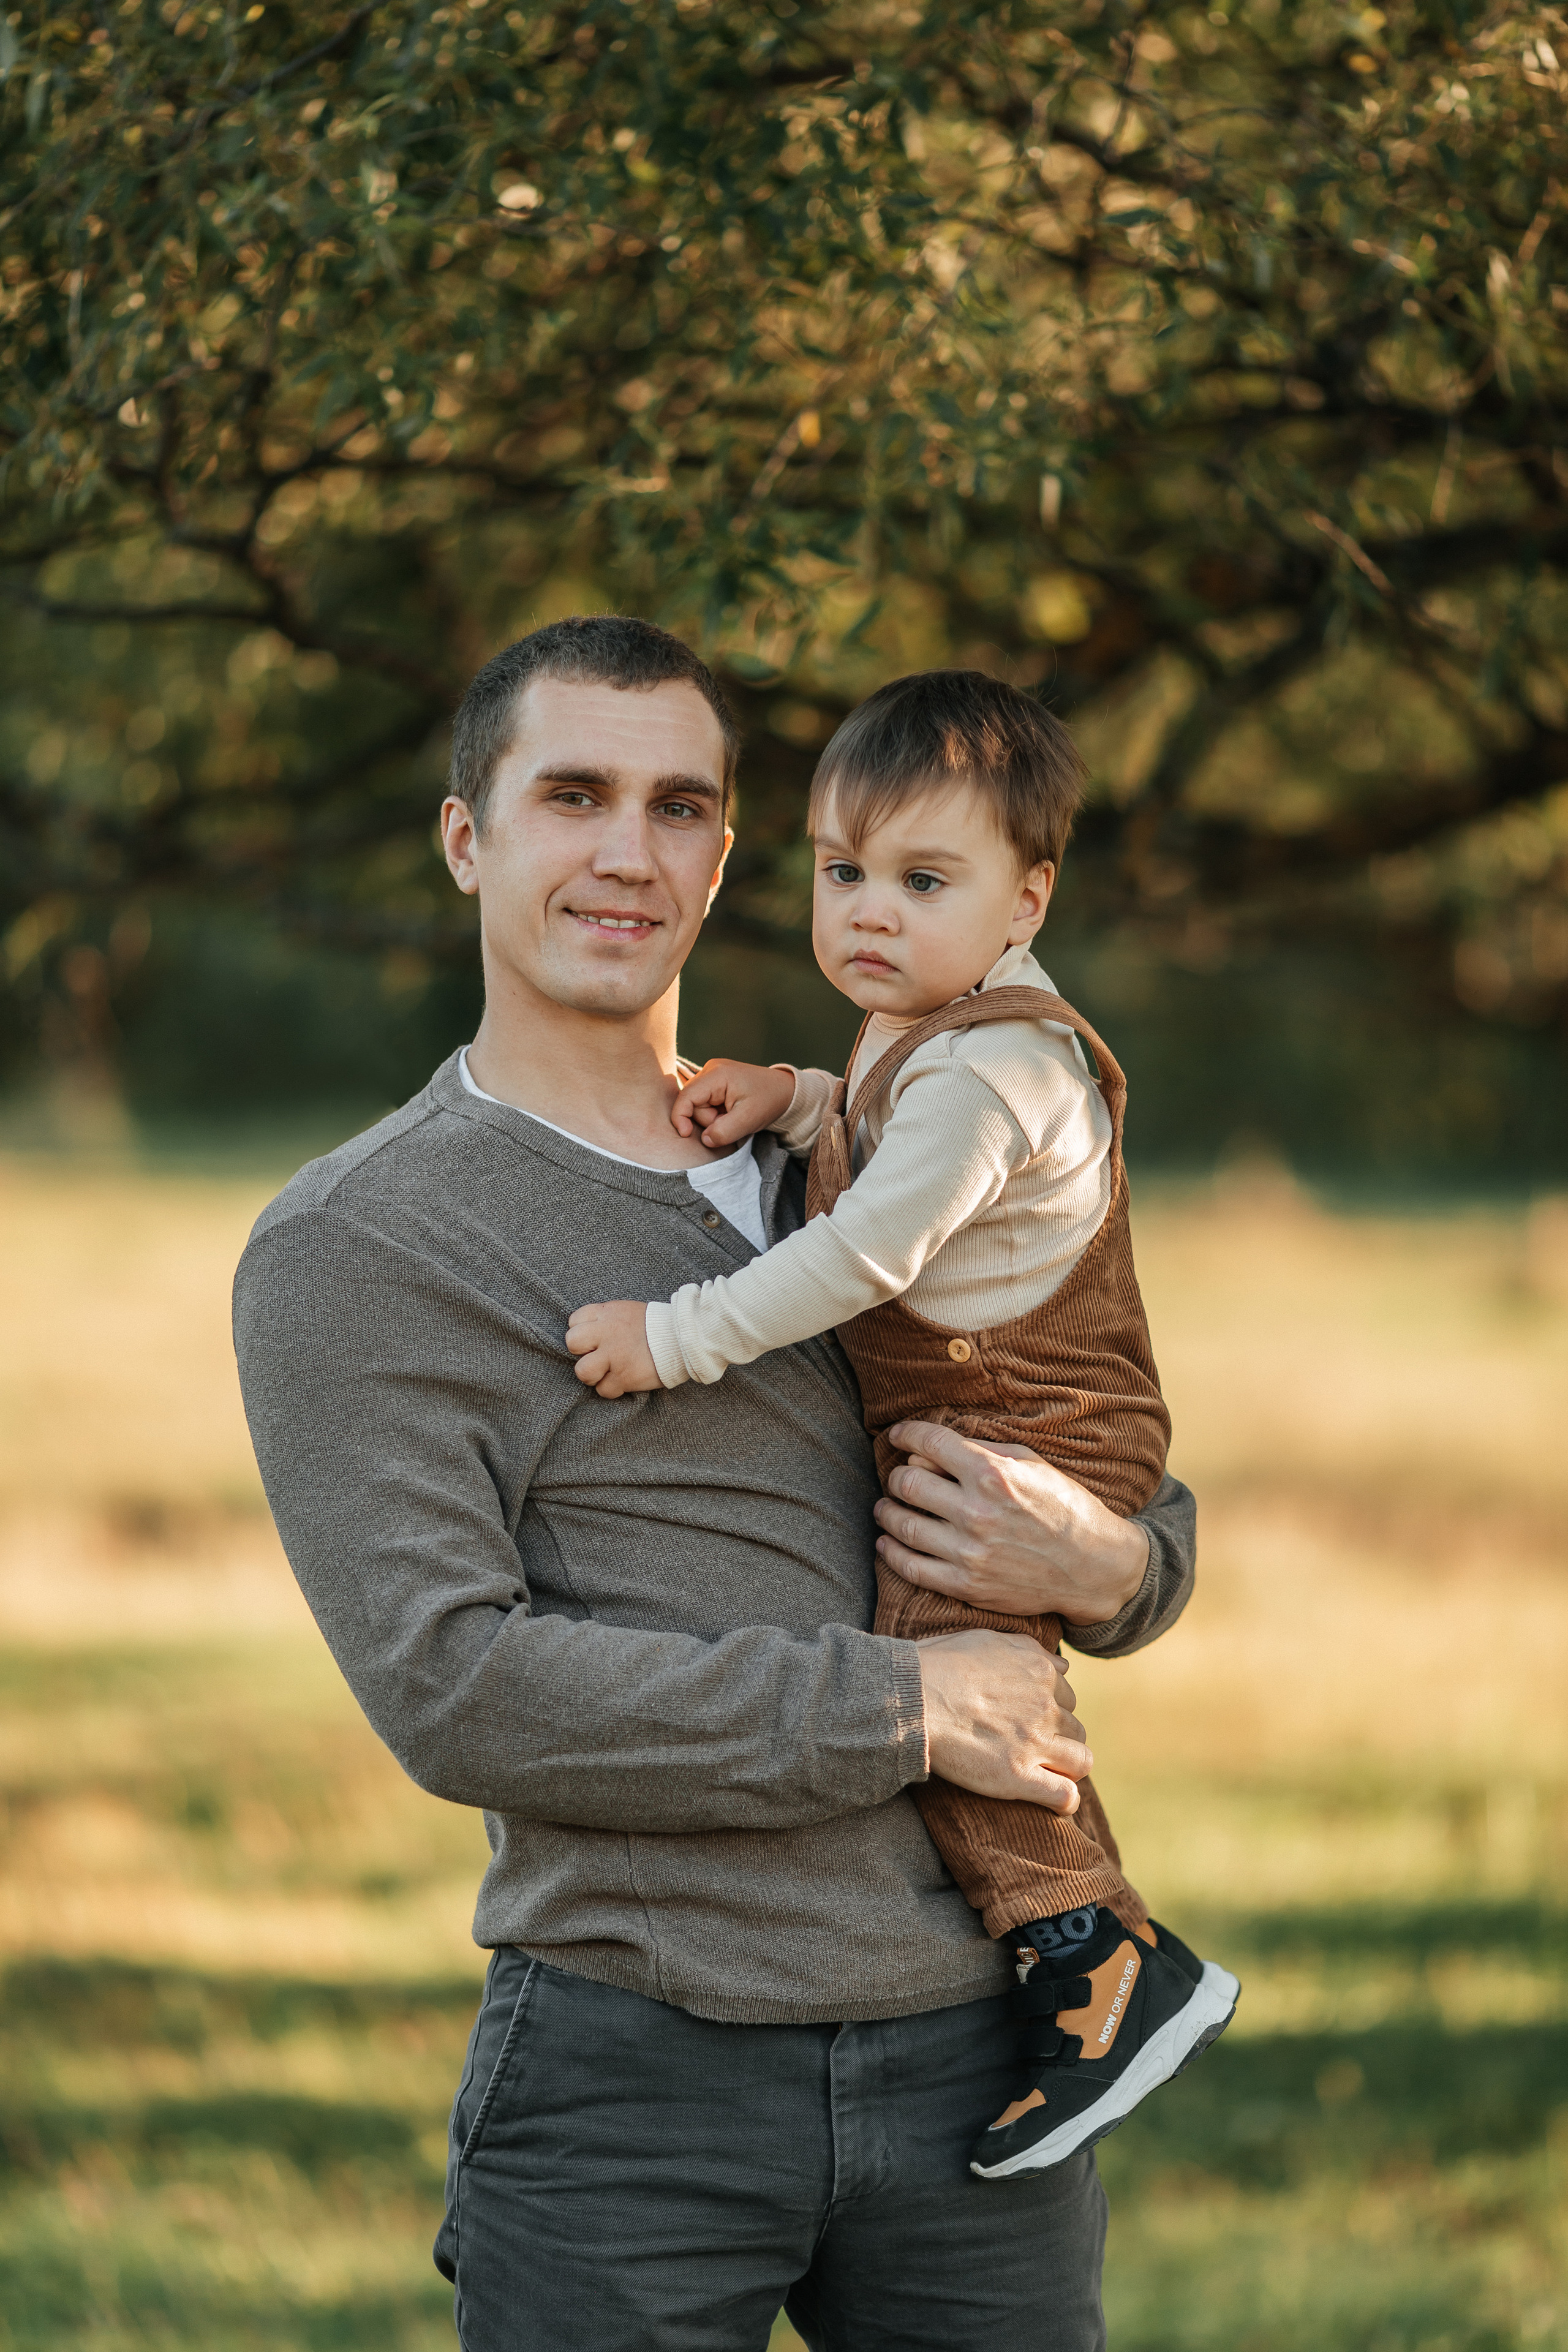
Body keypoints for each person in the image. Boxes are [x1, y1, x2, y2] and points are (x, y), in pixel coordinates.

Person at [233, 616, 1202, 2352]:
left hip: (986, 2068)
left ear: (728, 855)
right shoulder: (355, 1245)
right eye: (573, 795)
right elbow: (462, 1694)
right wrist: (907, 1710)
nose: (628, 850)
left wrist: (1115, 1565)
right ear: (468, 838)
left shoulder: (877, 1140)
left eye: (679, 806)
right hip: (636, 2076)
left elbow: (1098, 1462)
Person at [565, 670, 1239, 2184]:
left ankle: (1098, 1961)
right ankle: (1078, 1954)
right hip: (985, 1400)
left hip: (1031, 1421)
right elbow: (874, 1131)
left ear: (1026, 897)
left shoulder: (999, 1066)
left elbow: (867, 1250)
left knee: (958, 1681)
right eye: (840, 871)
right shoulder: (916, 1028)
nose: (869, 911)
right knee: (948, 1668)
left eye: (922, 880)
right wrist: (791, 1096)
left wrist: (673, 1338)